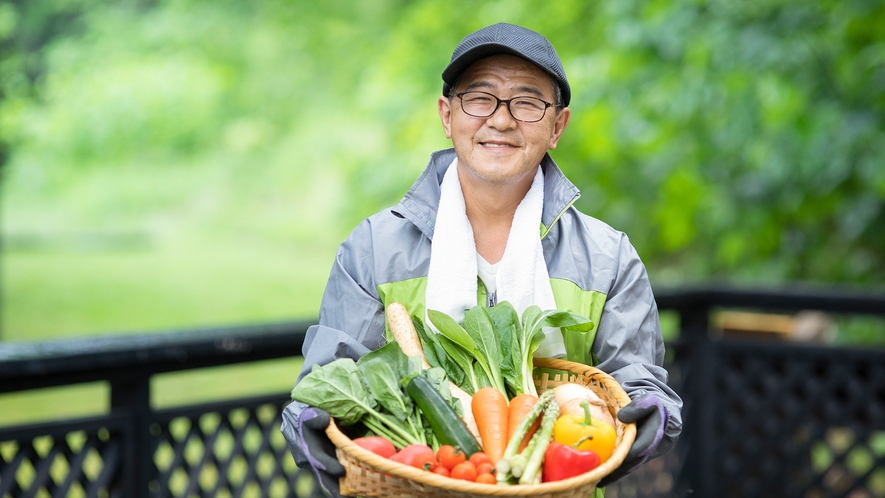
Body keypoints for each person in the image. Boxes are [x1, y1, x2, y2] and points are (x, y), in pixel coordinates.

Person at [281, 22, 683, 497]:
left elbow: (636, 383)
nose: (501, 119)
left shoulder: (608, 256)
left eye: (528, 102)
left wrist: (648, 413)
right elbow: (329, 378)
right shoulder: (372, 249)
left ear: (558, 126)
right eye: (480, 98)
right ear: (447, 115)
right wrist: (310, 421)